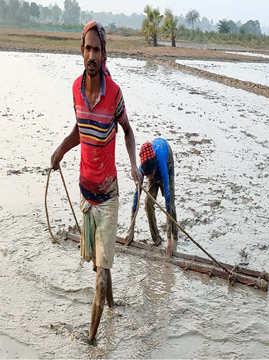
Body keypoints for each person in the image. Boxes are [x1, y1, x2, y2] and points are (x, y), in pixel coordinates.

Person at [50, 21, 141, 345]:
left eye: (97, 49)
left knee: (100, 276)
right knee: (99, 266)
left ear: (104, 55)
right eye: (87, 48)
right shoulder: (75, 89)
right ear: (81, 51)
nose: (91, 54)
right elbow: (81, 130)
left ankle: (90, 341)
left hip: (108, 196)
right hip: (85, 193)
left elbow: (127, 131)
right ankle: (114, 305)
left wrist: (133, 165)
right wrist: (60, 150)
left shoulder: (114, 95)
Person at [129, 138, 177, 254]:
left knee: (171, 204)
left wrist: (169, 240)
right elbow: (137, 196)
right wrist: (131, 228)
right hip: (153, 168)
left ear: (154, 169)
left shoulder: (161, 165)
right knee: (148, 203)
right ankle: (157, 239)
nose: (149, 178)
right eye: (147, 176)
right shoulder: (143, 169)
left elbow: (168, 200)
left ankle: (174, 235)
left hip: (166, 161)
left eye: (150, 175)